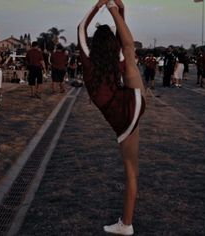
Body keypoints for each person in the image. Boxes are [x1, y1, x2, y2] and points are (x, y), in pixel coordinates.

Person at [78, 0, 145, 235]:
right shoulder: (114, 60)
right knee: (129, 53)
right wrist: (114, 8)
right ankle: (126, 224)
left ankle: (126, 225)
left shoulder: (89, 62)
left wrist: (103, 6)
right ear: (110, 44)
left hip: (124, 114)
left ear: (95, 44)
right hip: (133, 101)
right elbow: (123, 41)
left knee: (131, 173)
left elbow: (80, 29)